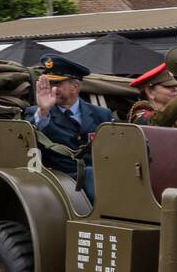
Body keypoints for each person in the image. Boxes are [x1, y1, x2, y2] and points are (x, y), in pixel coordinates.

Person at [22, 53, 112, 200]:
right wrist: (43, 111)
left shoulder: (101, 114)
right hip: (59, 179)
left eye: (56, 84)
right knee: (90, 175)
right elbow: (28, 138)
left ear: (75, 87)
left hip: (101, 177)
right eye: (48, 83)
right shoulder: (36, 112)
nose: (51, 89)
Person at [128, 63, 177, 128]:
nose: (174, 89)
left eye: (174, 86)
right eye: (167, 86)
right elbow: (155, 124)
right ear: (150, 92)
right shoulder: (139, 113)